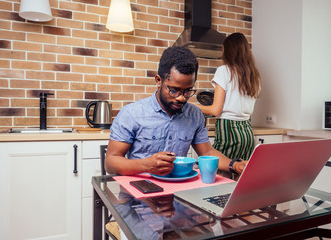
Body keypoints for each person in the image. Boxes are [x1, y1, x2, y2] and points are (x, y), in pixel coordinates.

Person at [105, 46, 247, 176]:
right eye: (173, 90)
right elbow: (110, 163)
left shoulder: (195, 115)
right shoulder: (132, 114)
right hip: (140, 191)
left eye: (187, 91)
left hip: (178, 190)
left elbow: (207, 152)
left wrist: (234, 165)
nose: (181, 98)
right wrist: (145, 165)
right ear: (159, 81)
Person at [193, 33, 261, 178]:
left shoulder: (224, 71)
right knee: (240, 175)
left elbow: (215, 109)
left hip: (228, 131)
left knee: (212, 171)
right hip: (247, 131)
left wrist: (191, 106)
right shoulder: (254, 75)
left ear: (227, 50)